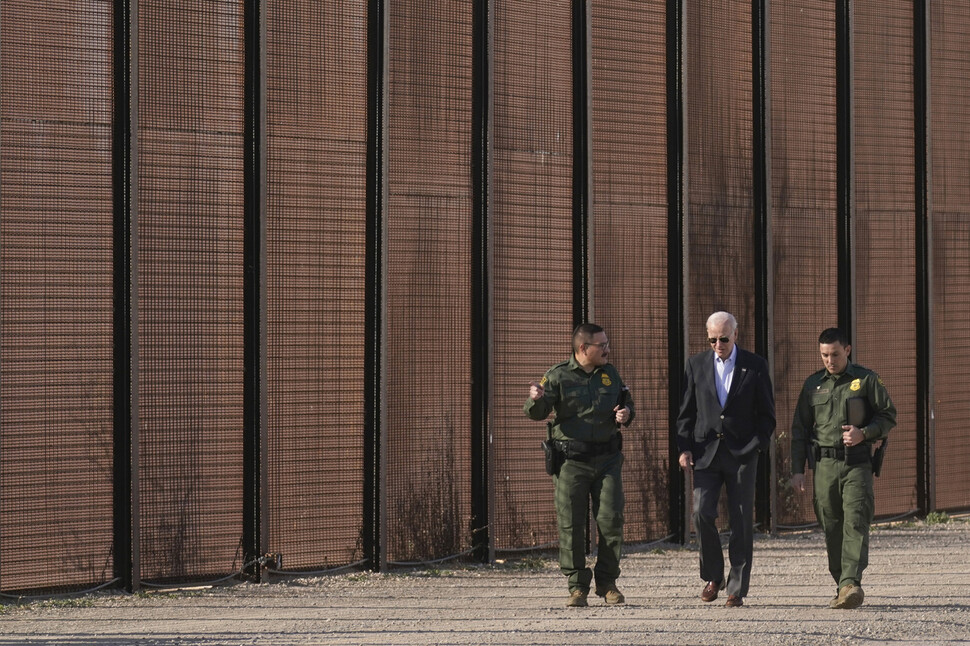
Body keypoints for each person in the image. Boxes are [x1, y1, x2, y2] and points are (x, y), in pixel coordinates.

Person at [524, 323, 633, 607]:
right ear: (583, 348)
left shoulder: (609, 374)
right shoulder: (558, 375)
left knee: (611, 520)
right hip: (571, 462)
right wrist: (535, 399)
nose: (608, 349)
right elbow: (537, 412)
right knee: (571, 524)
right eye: (602, 345)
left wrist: (626, 413)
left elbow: (625, 402)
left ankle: (608, 583)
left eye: (607, 343)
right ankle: (577, 586)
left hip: (607, 460)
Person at [790, 327, 896, 609]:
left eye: (835, 354)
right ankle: (842, 584)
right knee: (831, 524)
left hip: (856, 463)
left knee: (855, 520)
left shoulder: (866, 380)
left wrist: (866, 432)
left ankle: (851, 582)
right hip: (824, 465)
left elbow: (888, 416)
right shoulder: (813, 384)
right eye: (824, 354)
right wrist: (797, 469)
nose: (829, 360)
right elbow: (800, 429)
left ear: (847, 350)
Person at [676, 311, 775, 608]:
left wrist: (757, 445)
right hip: (706, 452)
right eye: (712, 339)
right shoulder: (696, 365)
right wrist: (684, 447)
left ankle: (737, 588)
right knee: (702, 513)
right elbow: (686, 412)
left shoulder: (755, 366)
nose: (718, 344)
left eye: (723, 338)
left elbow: (766, 414)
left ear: (735, 334)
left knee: (742, 520)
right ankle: (713, 576)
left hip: (742, 454)